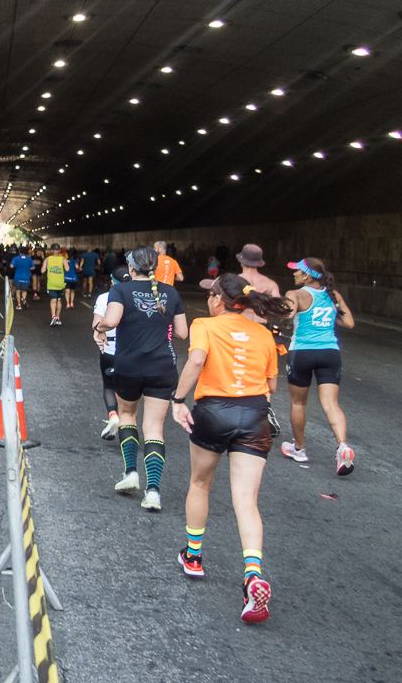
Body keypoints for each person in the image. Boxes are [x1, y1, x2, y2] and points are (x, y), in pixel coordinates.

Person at [170, 274, 292, 624]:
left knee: (200, 483)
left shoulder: (205, 325)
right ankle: (252, 574)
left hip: (213, 412)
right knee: (246, 501)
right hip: (253, 416)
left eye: (212, 294)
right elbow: (271, 384)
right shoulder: (263, 334)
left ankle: (193, 557)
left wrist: (178, 400)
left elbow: (195, 360)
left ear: (218, 300)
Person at [92, 246, 188, 511]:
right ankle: (154, 491)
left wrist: (99, 329)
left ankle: (131, 473)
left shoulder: (120, 290)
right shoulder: (170, 292)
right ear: (154, 268)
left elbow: (111, 321)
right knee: (155, 429)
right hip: (163, 367)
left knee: (127, 417)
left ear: (131, 268)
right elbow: (181, 333)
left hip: (129, 366)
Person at [281, 258, 356, 475]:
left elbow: (288, 316)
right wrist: (324, 318)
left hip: (302, 353)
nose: (294, 274)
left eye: (297, 271)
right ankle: (342, 446)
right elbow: (349, 322)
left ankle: (299, 449)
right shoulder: (333, 295)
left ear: (306, 275)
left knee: (298, 403)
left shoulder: (295, 294)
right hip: (329, 353)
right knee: (331, 403)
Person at [91, 264, 131, 441]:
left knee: (109, 385)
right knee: (128, 390)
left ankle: (113, 415)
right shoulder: (136, 298)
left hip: (109, 348)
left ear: (112, 282)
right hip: (132, 350)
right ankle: (127, 425)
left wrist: (98, 331)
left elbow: (96, 323)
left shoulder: (104, 298)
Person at [42, 243, 67, 326]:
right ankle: (58, 318)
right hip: (60, 283)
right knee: (59, 300)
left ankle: (53, 316)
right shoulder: (63, 259)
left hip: (51, 283)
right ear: (59, 250)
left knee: (53, 300)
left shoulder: (47, 259)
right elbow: (67, 269)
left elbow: (42, 271)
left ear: (51, 251)